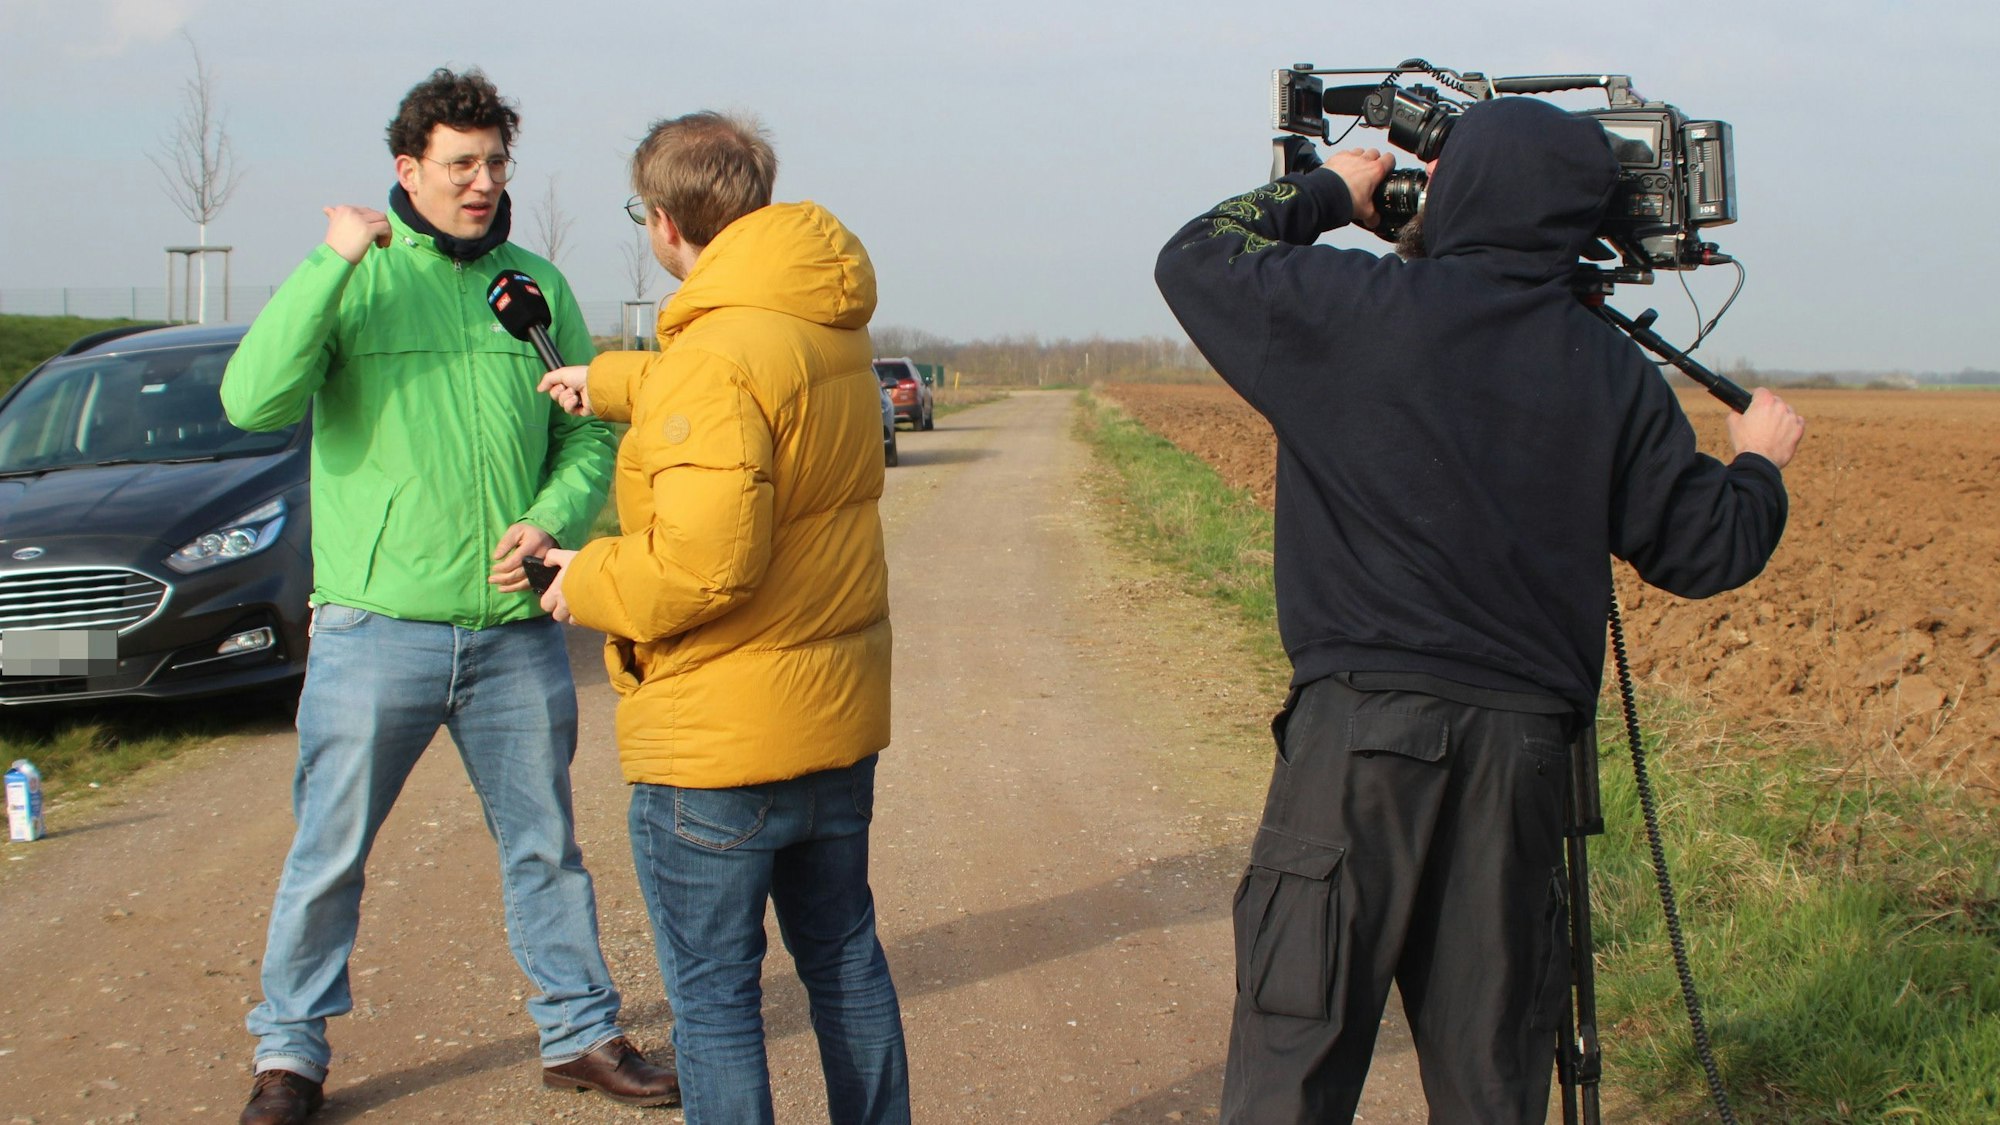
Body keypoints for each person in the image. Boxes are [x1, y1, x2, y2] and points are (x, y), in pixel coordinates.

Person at [1154, 97, 1805, 1124]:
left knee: (1292, 1064)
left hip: (1355, 747)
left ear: (1451, 190)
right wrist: (1758, 467)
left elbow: (1194, 254)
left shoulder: (1349, 311)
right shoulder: (1609, 372)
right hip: (1520, 767)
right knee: (1492, 1084)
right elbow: (1704, 547)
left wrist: (1332, 191)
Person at [221, 68, 679, 1125]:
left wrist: (557, 519)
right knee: (328, 855)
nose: (481, 183)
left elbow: (589, 429)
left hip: (515, 632)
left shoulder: (532, 284)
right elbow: (254, 399)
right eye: (460, 164)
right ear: (407, 170)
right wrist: (329, 261)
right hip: (373, 627)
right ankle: (288, 1057)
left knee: (545, 848)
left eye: (495, 163)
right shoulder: (356, 276)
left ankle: (578, 1032)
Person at [533, 111, 910, 1125]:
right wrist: (608, 381)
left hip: (716, 750)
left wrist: (588, 575)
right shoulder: (822, 324)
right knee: (843, 964)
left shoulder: (711, 354)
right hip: (829, 727)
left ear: (663, 223)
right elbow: (743, 393)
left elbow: (703, 568)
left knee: (714, 1001)